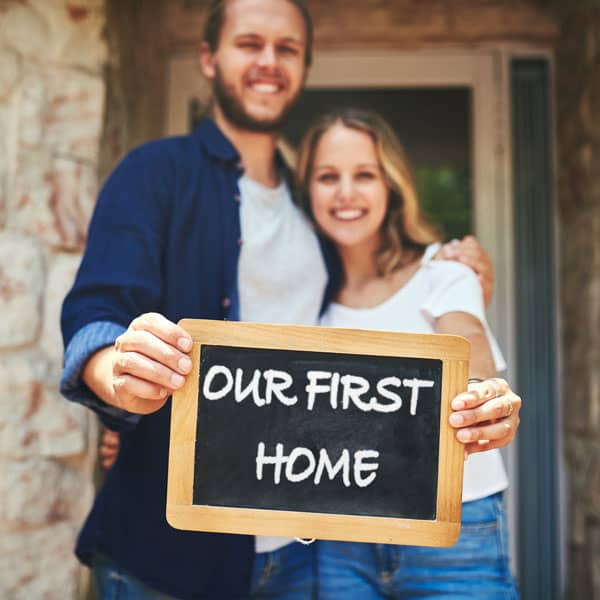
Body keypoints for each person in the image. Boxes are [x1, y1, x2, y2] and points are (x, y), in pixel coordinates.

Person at [60, 1, 516, 598]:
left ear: (303, 67)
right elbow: (96, 316)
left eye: (287, 48)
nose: (268, 62)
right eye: (250, 43)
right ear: (208, 57)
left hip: (304, 550)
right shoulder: (153, 173)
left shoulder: (316, 214)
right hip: (168, 549)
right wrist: (117, 380)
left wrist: (462, 276)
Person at [257, 107, 519, 599]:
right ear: (306, 190)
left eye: (365, 175)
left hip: (452, 532)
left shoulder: (444, 273)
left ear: (392, 186)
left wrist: (488, 404)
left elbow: (474, 366)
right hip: (343, 538)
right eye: (328, 177)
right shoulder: (305, 302)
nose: (347, 193)